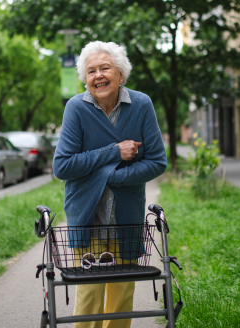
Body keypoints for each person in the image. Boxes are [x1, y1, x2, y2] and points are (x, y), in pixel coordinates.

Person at [53, 41, 167, 328]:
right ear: (85, 79)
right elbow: (62, 166)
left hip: (125, 219)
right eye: (91, 71)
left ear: (120, 73)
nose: (98, 76)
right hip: (87, 217)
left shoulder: (141, 105)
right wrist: (115, 153)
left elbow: (156, 161)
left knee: (121, 296)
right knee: (89, 296)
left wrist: (109, 176)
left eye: (105, 68)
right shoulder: (76, 109)